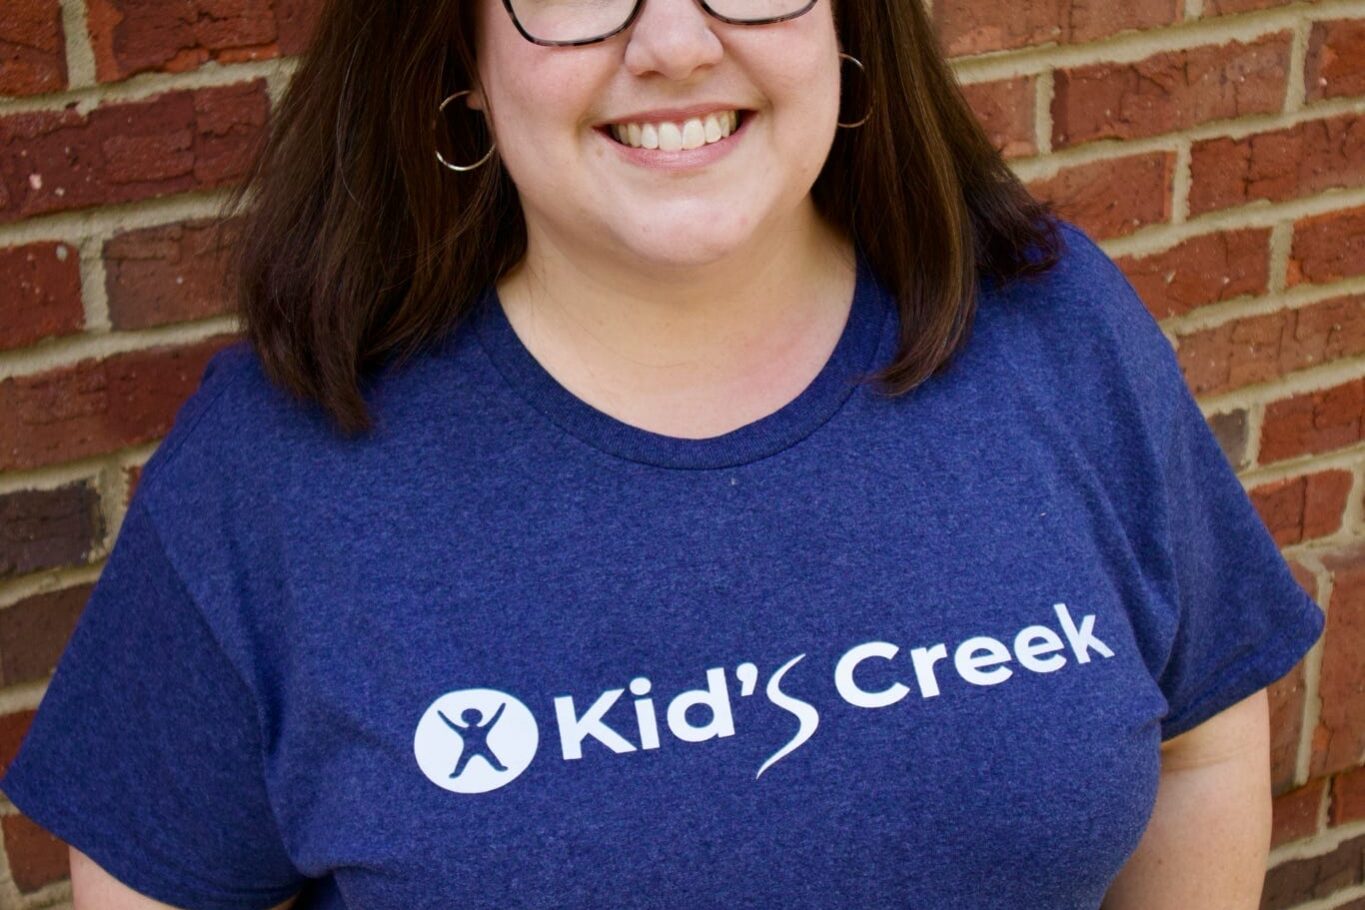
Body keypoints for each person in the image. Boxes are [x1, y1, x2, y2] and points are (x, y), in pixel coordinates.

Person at [0, 0, 1325, 907]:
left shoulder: (1052, 328)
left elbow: (1198, 745)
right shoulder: (276, 468)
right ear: (458, 51)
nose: (678, 44)